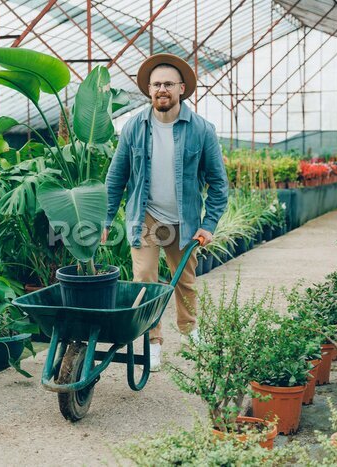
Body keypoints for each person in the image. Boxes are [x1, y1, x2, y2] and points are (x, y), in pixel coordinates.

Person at [103, 53, 229, 371]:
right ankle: (152, 341)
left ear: (181, 89)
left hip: (184, 220)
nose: (162, 89)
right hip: (147, 216)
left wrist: (209, 223)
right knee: (145, 279)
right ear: (148, 89)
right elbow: (115, 177)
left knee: (184, 280)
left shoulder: (201, 130)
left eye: (169, 84)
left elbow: (218, 183)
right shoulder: (133, 127)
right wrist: (105, 218)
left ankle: (189, 330)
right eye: (157, 84)